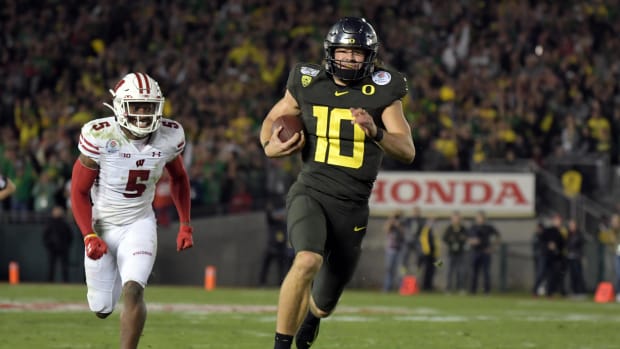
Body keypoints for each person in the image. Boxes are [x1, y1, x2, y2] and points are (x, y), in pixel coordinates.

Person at [259, 17, 415, 349]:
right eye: (343, 51)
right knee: (307, 259)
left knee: (324, 303)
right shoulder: (307, 80)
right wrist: (269, 146)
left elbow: (407, 149)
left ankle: (312, 318)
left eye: (357, 53)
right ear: (330, 52)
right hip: (310, 191)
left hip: (352, 208)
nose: (349, 59)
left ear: (369, 57)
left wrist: (377, 132)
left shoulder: (385, 89)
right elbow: (274, 118)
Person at [70, 72, 193, 349]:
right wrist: (89, 234)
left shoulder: (169, 136)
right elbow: (78, 191)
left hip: (140, 222)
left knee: (134, 290)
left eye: (148, 106)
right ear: (120, 106)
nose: (143, 113)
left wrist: (185, 223)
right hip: (103, 225)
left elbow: (180, 178)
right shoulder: (100, 135)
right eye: (136, 106)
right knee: (102, 308)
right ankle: (110, 281)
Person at [259, 198, 292, 286]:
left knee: (281, 267)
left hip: (281, 248)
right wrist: (268, 209)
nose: (279, 216)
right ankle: (262, 282)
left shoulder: (284, 225)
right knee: (265, 265)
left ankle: (281, 283)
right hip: (271, 247)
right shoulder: (273, 223)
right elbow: (268, 216)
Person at [468, 210, 500, 294]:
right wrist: (472, 241)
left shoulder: (488, 227)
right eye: (478, 217)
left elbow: (498, 236)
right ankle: (473, 290)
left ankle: (487, 291)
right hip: (475, 252)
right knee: (474, 272)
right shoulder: (473, 227)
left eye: (481, 217)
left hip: (485, 252)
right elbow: (468, 239)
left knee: (486, 272)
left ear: (484, 218)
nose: (479, 219)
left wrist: (492, 247)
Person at [43, 205, 75, 282]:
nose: (57, 212)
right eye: (56, 211)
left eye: (58, 211)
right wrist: (49, 245)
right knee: (51, 266)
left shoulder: (65, 223)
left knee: (64, 267)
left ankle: (66, 282)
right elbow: (45, 236)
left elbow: (70, 236)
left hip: (63, 248)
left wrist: (66, 245)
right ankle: (50, 282)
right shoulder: (49, 223)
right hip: (52, 248)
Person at [442, 210, 468, 293]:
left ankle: (461, 288)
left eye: (457, 218)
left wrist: (463, 241)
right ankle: (448, 288)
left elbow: (467, 238)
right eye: (454, 218)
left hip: (461, 253)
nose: (456, 220)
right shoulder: (449, 228)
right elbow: (444, 239)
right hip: (451, 253)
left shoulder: (463, 229)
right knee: (449, 271)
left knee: (461, 271)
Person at [382, 210, 406, 292]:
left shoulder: (402, 224)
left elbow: (404, 234)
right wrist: (391, 220)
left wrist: (398, 225)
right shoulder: (390, 223)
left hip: (400, 249)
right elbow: (386, 230)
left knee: (401, 270)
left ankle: (402, 288)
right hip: (391, 249)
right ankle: (387, 288)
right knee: (389, 269)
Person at [565, 218, 587, 296]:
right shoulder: (568, 234)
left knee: (578, 274)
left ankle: (581, 291)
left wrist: (581, 256)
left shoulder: (579, 234)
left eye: (573, 225)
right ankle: (574, 291)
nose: (571, 227)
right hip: (570, 257)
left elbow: (580, 245)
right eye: (570, 225)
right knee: (572, 275)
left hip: (577, 257)